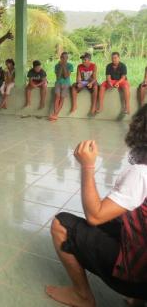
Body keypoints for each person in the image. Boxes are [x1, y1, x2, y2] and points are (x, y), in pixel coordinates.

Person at [45, 106, 147, 307]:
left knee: (61, 224)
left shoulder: (141, 174)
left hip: (136, 277)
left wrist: (87, 166)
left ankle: (82, 296)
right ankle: (138, 300)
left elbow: (95, 215)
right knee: (122, 217)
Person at [49, 52, 74, 121]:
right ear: (60, 58)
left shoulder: (70, 65)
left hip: (66, 83)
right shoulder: (57, 65)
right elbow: (58, 77)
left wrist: (63, 66)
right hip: (58, 82)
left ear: (67, 58)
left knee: (62, 98)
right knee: (57, 97)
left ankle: (55, 115)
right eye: (62, 57)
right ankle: (55, 114)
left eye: (65, 57)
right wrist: (61, 66)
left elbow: (66, 76)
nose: (64, 59)